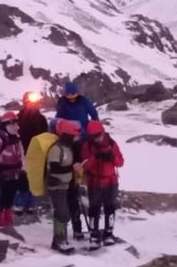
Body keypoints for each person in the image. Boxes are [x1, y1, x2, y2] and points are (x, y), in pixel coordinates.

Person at [55, 82, 99, 239]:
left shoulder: (84, 101)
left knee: (82, 160)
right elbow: (58, 119)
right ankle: (74, 226)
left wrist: (93, 129)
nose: (71, 98)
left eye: (73, 95)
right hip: (68, 137)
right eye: (69, 95)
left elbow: (93, 114)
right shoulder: (63, 103)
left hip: (83, 136)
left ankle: (82, 180)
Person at [81, 120, 124, 249]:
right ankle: (94, 235)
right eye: (93, 136)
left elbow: (121, 162)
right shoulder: (87, 146)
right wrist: (96, 158)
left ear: (102, 132)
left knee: (110, 208)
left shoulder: (111, 144)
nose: (96, 139)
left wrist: (112, 158)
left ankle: (108, 233)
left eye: (97, 135)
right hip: (95, 182)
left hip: (111, 181)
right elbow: (85, 165)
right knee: (94, 209)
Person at [0, 110, 24, 227]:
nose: (17, 126)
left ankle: (8, 222)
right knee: (0, 201)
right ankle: (0, 223)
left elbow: (22, 155)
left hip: (15, 174)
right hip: (3, 176)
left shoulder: (16, 138)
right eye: (14, 124)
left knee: (9, 199)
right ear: (8, 124)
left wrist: (23, 171)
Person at [47, 119, 82, 254]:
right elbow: (54, 168)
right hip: (56, 186)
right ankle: (59, 240)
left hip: (65, 185)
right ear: (68, 135)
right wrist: (71, 168)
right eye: (74, 135)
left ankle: (60, 240)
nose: (76, 138)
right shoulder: (56, 149)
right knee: (62, 212)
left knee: (62, 212)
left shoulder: (67, 148)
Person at [13, 91, 48, 213]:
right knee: (22, 179)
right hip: (21, 153)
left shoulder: (41, 119)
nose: (34, 105)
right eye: (31, 102)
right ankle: (19, 205)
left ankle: (31, 205)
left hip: (37, 154)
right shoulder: (17, 118)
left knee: (34, 180)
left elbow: (45, 136)